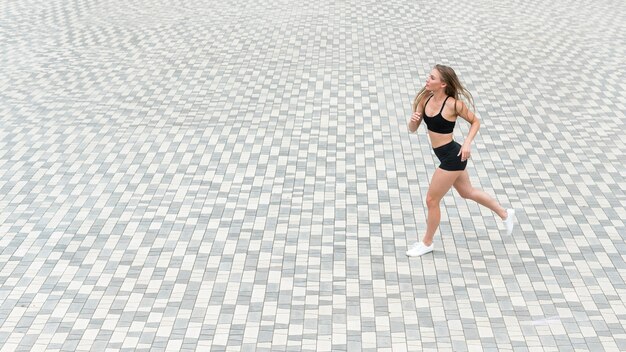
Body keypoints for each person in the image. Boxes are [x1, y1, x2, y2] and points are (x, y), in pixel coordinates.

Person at [406, 64, 516, 257]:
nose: (427, 80)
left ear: (443, 84)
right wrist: (414, 121)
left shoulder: (454, 105)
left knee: (432, 200)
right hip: (446, 154)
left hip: (452, 157)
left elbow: (476, 122)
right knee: (467, 192)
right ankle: (506, 214)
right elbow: (412, 129)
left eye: (432, 78)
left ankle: (427, 242)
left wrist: (467, 143)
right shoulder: (425, 99)